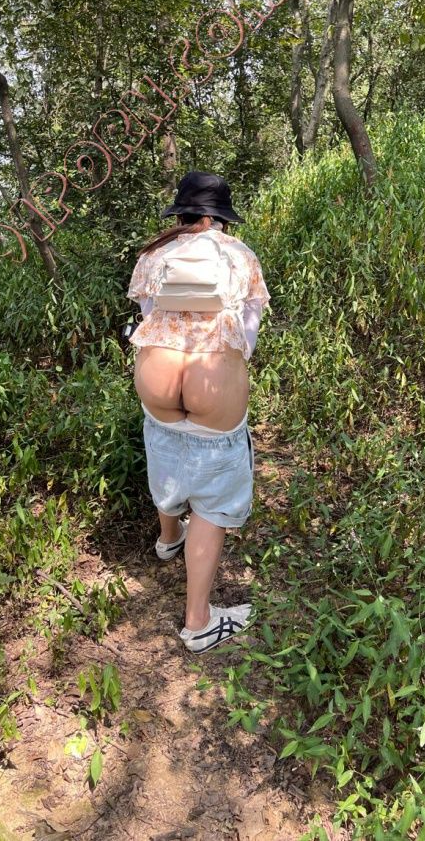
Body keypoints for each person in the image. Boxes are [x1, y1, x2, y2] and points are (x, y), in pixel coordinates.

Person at [126, 171, 271, 653]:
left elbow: (149, 317)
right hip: (214, 385)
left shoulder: (153, 254)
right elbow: (248, 334)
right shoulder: (239, 255)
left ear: (183, 213)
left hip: (157, 379)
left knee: (166, 450)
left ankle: (168, 539)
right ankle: (198, 622)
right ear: (218, 217)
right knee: (211, 504)